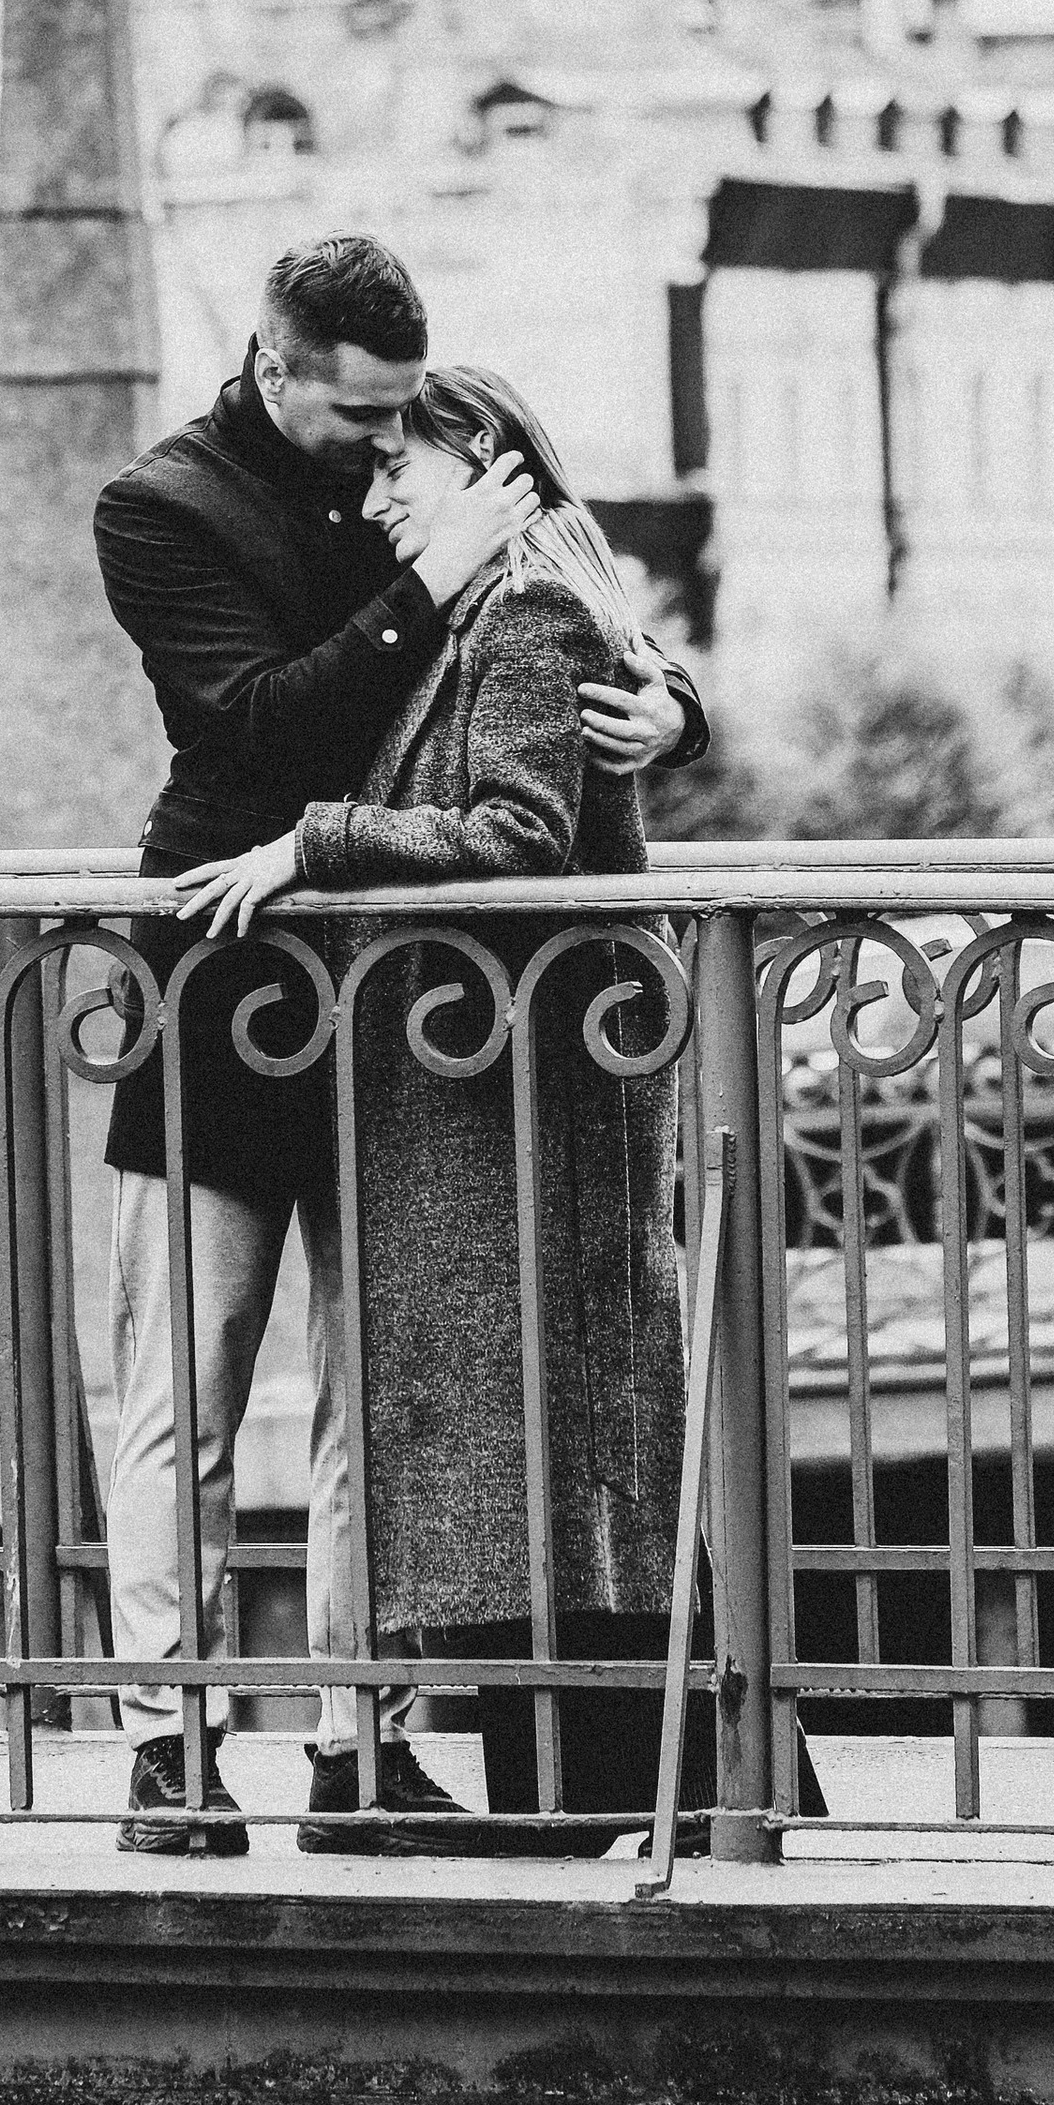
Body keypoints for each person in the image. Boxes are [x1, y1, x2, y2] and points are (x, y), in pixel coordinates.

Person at [94, 237, 704, 1855]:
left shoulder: (421, 472)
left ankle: (360, 1736)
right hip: (225, 976)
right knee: (190, 1385)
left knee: (384, 1395)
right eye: (356, 416)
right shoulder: (162, 508)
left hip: (402, 1017)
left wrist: (674, 706)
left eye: (396, 426)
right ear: (272, 365)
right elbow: (259, 727)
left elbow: (558, 610)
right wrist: (426, 584)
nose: (381, 451)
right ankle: (170, 1741)